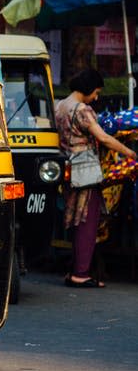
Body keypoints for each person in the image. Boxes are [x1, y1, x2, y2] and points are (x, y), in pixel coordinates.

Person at [54, 68, 136, 288]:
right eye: (96, 92)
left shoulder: (60, 105)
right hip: (85, 167)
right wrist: (129, 153)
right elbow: (103, 138)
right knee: (87, 221)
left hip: (67, 165)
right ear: (88, 88)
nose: (97, 97)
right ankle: (81, 273)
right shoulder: (82, 110)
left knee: (75, 219)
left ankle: (74, 270)